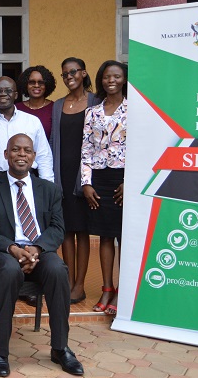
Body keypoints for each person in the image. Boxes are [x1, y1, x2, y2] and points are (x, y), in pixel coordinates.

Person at [0, 134, 84, 377]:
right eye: (16, 150)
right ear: (6, 154)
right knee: (9, 269)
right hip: (1, 252)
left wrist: (36, 249)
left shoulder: (50, 189)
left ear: (34, 157)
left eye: (27, 151)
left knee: (57, 269)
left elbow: (57, 227)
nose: (21, 154)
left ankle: (60, 347)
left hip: (38, 250)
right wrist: (13, 249)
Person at [50, 57, 100, 304]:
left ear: (83, 72)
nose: (69, 76)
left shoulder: (95, 102)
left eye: (73, 72)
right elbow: (53, 143)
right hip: (62, 175)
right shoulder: (58, 105)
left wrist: (88, 178)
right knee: (66, 231)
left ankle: (80, 284)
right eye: (64, 73)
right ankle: (68, 282)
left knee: (83, 231)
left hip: (86, 177)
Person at [81, 61, 128, 316]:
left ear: (124, 80)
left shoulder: (135, 110)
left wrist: (130, 181)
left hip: (123, 179)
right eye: (107, 76)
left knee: (124, 236)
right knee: (105, 236)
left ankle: (122, 291)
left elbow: (142, 148)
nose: (112, 80)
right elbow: (86, 150)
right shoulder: (92, 112)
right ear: (101, 80)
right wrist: (86, 183)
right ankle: (107, 288)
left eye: (117, 76)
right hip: (99, 179)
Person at [0, 76, 53, 194]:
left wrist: (48, 186)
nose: (3, 94)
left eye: (8, 91)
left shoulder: (32, 121)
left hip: (28, 181)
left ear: (16, 95)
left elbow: (44, 156)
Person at [15, 66, 57, 141]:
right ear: (26, 85)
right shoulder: (17, 109)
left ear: (47, 85)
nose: (36, 85)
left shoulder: (54, 108)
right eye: (32, 82)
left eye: (41, 82)